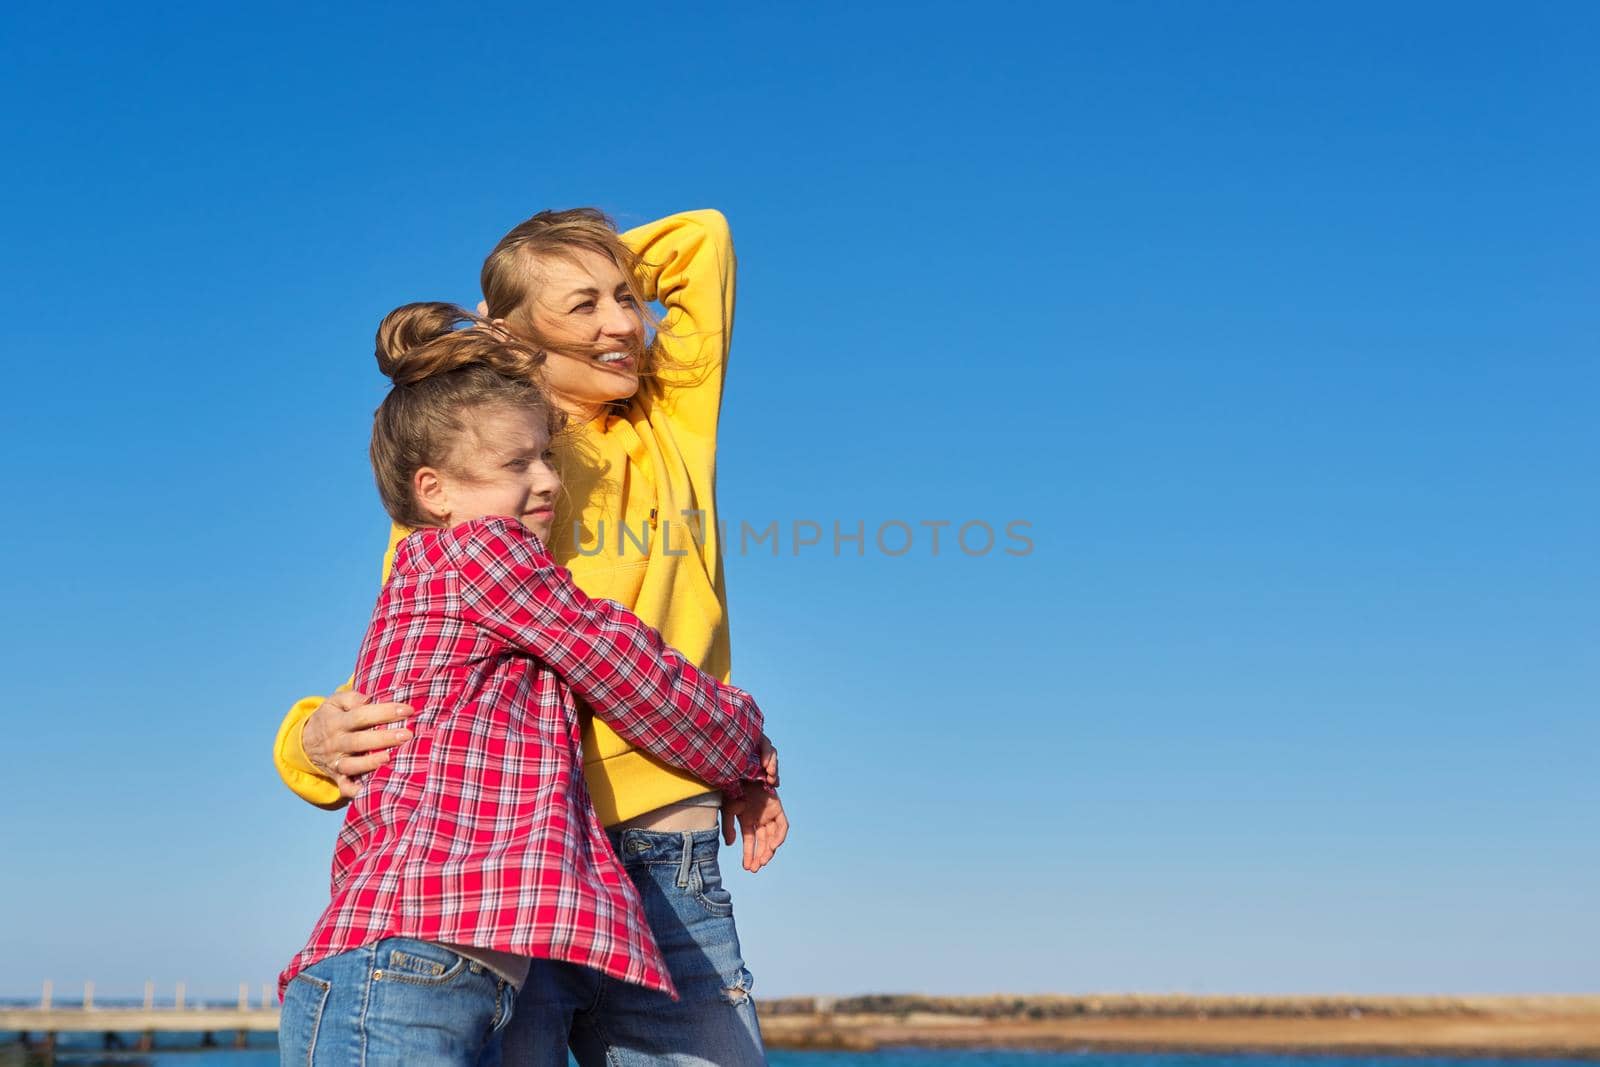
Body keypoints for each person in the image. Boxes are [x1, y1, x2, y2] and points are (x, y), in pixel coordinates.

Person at [273, 208, 788, 1065]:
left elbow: (707, 240)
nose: (623, 322)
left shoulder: (669, 426)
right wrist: (307, 742)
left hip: (667, 843)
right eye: (582, 306)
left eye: (625, 295)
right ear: (520, 330)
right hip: (516, 858)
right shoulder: (479, 472)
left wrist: (556, 280)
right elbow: (408, 657)